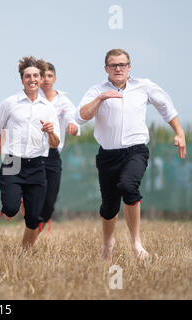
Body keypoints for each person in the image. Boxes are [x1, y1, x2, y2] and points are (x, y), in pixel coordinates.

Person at [76, 49, 187, 260]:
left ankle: (136, 243)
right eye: (113, 65)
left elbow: (166, 107)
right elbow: (82, 116)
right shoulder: (96, 90)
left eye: (122, 64)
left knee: (128, 186)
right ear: (106, 68)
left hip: (136, 151)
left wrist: (179, 133)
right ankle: (108, 243)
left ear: (129, 67)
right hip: (107, 155)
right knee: (109, 206)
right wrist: (100, 99)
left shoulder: (143, 86)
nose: (118, 68)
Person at [0, 56, 60, 249]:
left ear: (41, 79)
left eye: (35, 76)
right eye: (27, 76)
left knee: (34, 219)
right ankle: (18, 200)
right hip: (13, 163)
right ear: (22, 79)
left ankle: (25, 252)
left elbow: (55, 143)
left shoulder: (48, 108)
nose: (32, 79)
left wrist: (50, 132)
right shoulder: (9, 103)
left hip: (37, 165)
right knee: (10, 209)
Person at [20, 62, 80, 234]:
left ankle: (34, 234)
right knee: (33, 202)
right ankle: (28, 218)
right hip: (32, 154)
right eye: (42, 75)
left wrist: (73, 126)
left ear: (55, 78)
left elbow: (73, 118)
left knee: (48, 205)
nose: (46, 79)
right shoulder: (29, 99)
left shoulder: (64, 101)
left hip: (52, 154)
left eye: (50, 76)